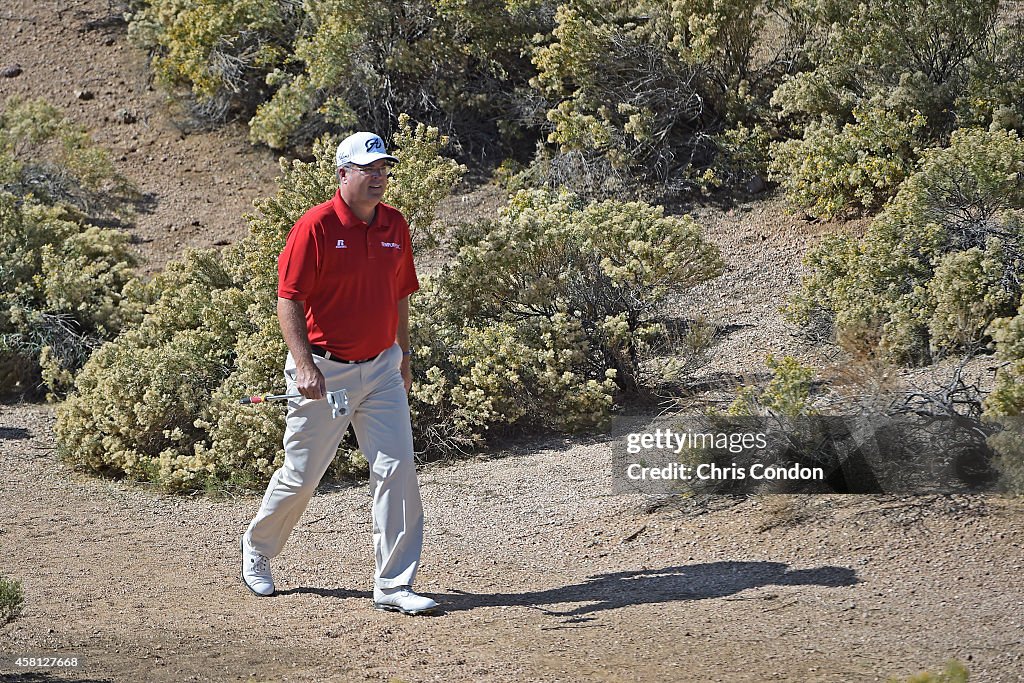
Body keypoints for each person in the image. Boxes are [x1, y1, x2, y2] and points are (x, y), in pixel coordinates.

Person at [240, 131, 437, 615]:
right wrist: (304, 366)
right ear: (343, 174)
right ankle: (258, 551)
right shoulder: (316, 226)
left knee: (397, 471)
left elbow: (399, 296)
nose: (379, 177)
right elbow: (289, 298)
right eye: (368, 169)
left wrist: (404, 357)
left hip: (383, 369)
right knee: (303, 476)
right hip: (325, 372)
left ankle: (393, 585)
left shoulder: (395, 224)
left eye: (384, 168)